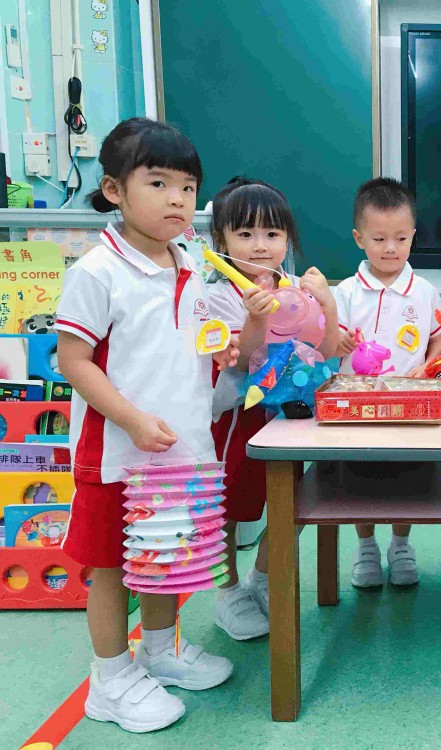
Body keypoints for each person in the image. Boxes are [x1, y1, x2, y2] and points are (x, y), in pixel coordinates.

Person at [55, 118, 236, 733]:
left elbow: (187, 344)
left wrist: (220, 349)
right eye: (158, 183)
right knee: (110, 566)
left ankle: (160, 652)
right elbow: (74, 361)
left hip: (180, 450)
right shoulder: (96, 272)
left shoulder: (193, 266)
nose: (176, 200)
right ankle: (109, 680)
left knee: (164, 555)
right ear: (113, 190)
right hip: (117, 455)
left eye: (187, 187)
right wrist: (130, 420)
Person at [207, 176, 339, 639]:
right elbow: (243, 361)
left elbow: (325, 351)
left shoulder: (297, 287)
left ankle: (261, 577)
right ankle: (226, 592)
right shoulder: (216, 295)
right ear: (221, 240)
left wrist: (327, 303)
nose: (260, 245)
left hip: (289, 416)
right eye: (245, 233)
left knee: (294, 500)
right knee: (226, 510)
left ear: (288, 238)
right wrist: (254, 317)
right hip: (237, 419)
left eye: (272, 233)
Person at [333, 177, 441, 587]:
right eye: (379, 239)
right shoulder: (346, 291)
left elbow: (439, 338)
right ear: (359, 239)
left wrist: (430, 365)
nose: (390, 248)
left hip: (409, 406)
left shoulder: (424, 291)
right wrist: (339, 340)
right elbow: (330, 340)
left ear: (413, 235)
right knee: (357, 479)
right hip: (356, 409)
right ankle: (365, 546)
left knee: (407, 480)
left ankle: (401, 545)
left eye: (401, 238)